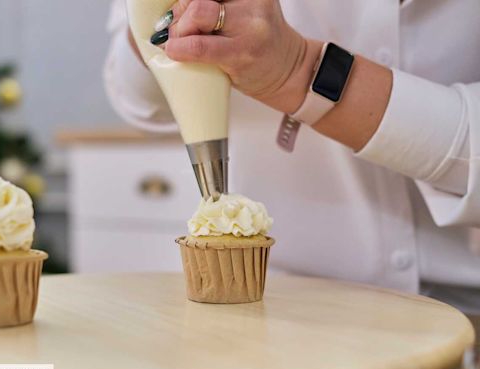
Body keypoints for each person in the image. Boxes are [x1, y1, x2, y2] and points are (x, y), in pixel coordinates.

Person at [104, 0, 480, 313]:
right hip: (285, 315)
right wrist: (161, 24)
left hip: (467, 318)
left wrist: (299, 69)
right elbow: (136, 98)